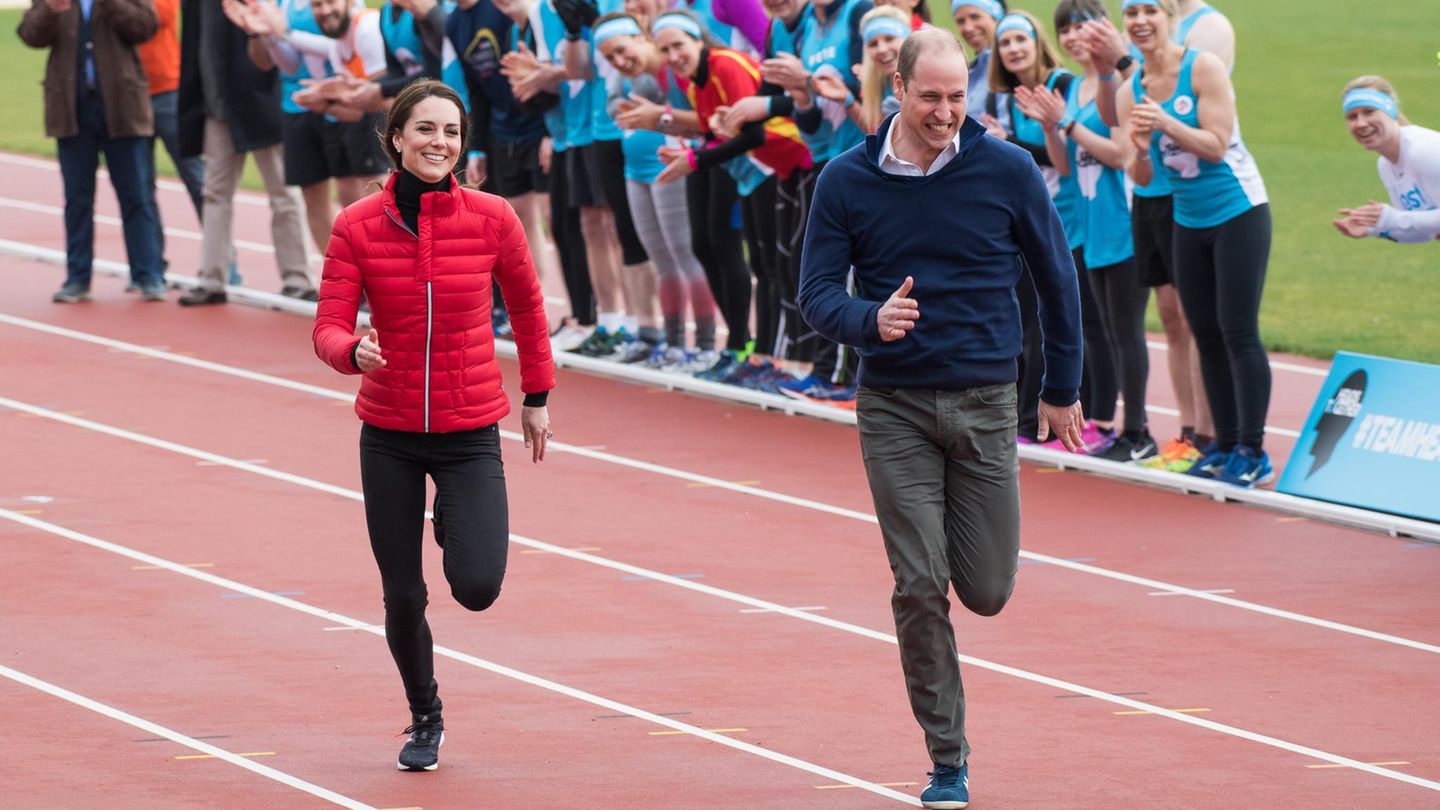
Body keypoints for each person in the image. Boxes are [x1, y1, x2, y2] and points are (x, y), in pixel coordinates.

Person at [798, 29, 1083, 809]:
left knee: (986, 590)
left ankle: (968, 571)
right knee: (920, 583)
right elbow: (817, 291)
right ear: (896, 88)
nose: (947, 113)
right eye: (931, 97)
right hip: (891, 406)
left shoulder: (1008, 169)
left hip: (987, 401)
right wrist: (867, 320)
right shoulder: (845, 180)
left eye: (959, 97)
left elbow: (1059, 281)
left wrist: (1062, 385)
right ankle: (947, 760)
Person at [312, 79, 555, 772]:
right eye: (424, 130)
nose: (438, 143)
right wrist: (349, 352)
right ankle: (425, 715)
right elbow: (328, 323)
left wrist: (537, 394)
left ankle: (451, 510)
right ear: (394, 137)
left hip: (470, 427)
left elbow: (530, 310)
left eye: (450, 132)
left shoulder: (492, 217)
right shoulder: (356, 223)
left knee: (477, 586)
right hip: (387, 432)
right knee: (403, 593)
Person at [1117, 0, 1272, 487]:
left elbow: (1216, 144)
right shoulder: (1130, 91)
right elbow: (1140, 174)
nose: (1141, 21)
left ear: (1170, 18)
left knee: (1237, 329)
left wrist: (1165, 124)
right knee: (1204, 330)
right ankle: (1224, 444)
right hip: (1186, 218)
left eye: (1150, 10)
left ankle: (1253, 448)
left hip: (1238, 210)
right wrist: (1140, 149)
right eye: (1132, 12)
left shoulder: (1201, 67)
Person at [651, 9, 812, 391]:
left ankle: (784, 358)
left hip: (782, 162)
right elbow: (717, 133)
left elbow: (754, 134)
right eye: (665, 49)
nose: (674, 55)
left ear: (699, 39)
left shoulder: (726, 64)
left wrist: (695, 159)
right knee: (763, 265)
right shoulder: (692, 80)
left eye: (679, 44)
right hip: (758, 171)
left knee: (779, 267)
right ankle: (765, 356)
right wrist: (690, 152)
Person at [1051, 0, 1157, 462]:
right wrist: (1052, 126)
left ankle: (1139, 431)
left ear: (1105, 30)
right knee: (1102, 329)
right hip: (1091, 223)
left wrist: (1068, 124)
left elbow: (1119, 154)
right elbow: (1066, 168)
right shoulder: (1074, 86)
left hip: (1126, 221)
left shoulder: (1121, 84)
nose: (1075, 37)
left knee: (1127, 330)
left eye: (1084, 26)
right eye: (1066, 30)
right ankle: (1108, 424)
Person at [19, 0, 167, 303]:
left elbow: (145, 27)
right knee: (77, 199)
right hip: (72, 108)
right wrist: (49, 10)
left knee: (136, 194)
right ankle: (77, 277)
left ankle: (147, 274)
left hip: (121, 106)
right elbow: (30, 35)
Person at [596, 10, 720, 369]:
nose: (619, 61)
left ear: (641, 37)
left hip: (670, 168)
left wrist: (659, 116)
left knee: (684, 256)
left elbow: (703, 121)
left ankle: (707, 343)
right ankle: (674, 342)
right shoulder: (626, 76)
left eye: (622, 50)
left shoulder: (670, 71)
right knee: (662, 262)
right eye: (609, 58)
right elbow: (615, 108)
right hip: (635, 171)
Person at [176, 0, 316, 306]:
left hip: (260, 103)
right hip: (216, 108)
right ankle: (211, 278)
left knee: (283, 193)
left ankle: (298, 278)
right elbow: (192, 46)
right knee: (215, 192)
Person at [1334, 77, 1440, 245]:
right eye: (1352, 116)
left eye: (1369, 111)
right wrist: (1373, 228)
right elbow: (1420, 233)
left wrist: (1393, 217)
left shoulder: (1424, 150)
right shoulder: (1386, 165)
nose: (1360, 123)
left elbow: (1402, 220)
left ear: (1391, 111)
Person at [948, 0, 1001, 120]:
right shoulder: (970, 69)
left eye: (975, 17)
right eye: (961, 21)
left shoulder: (1014, 67)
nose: (968, 28)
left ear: (996, 17)